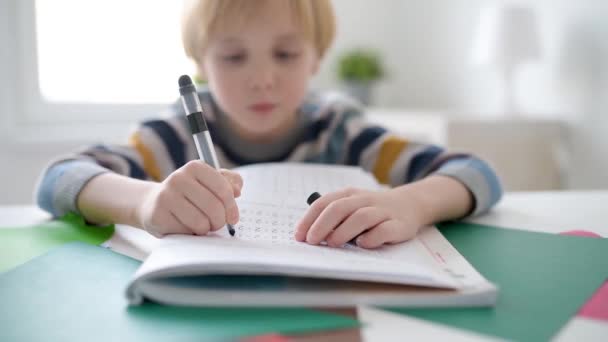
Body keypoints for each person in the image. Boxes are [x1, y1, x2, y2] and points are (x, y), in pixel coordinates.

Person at [36, 0, 502, 249]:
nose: (262, 79)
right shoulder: (173, 135)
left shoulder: (340, 130)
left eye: (286, 54)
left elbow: (476, 173)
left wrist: (411, 204)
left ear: (317, 57)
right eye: (235, 56)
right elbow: (59, 178)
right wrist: (146, 202)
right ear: (201, 64)